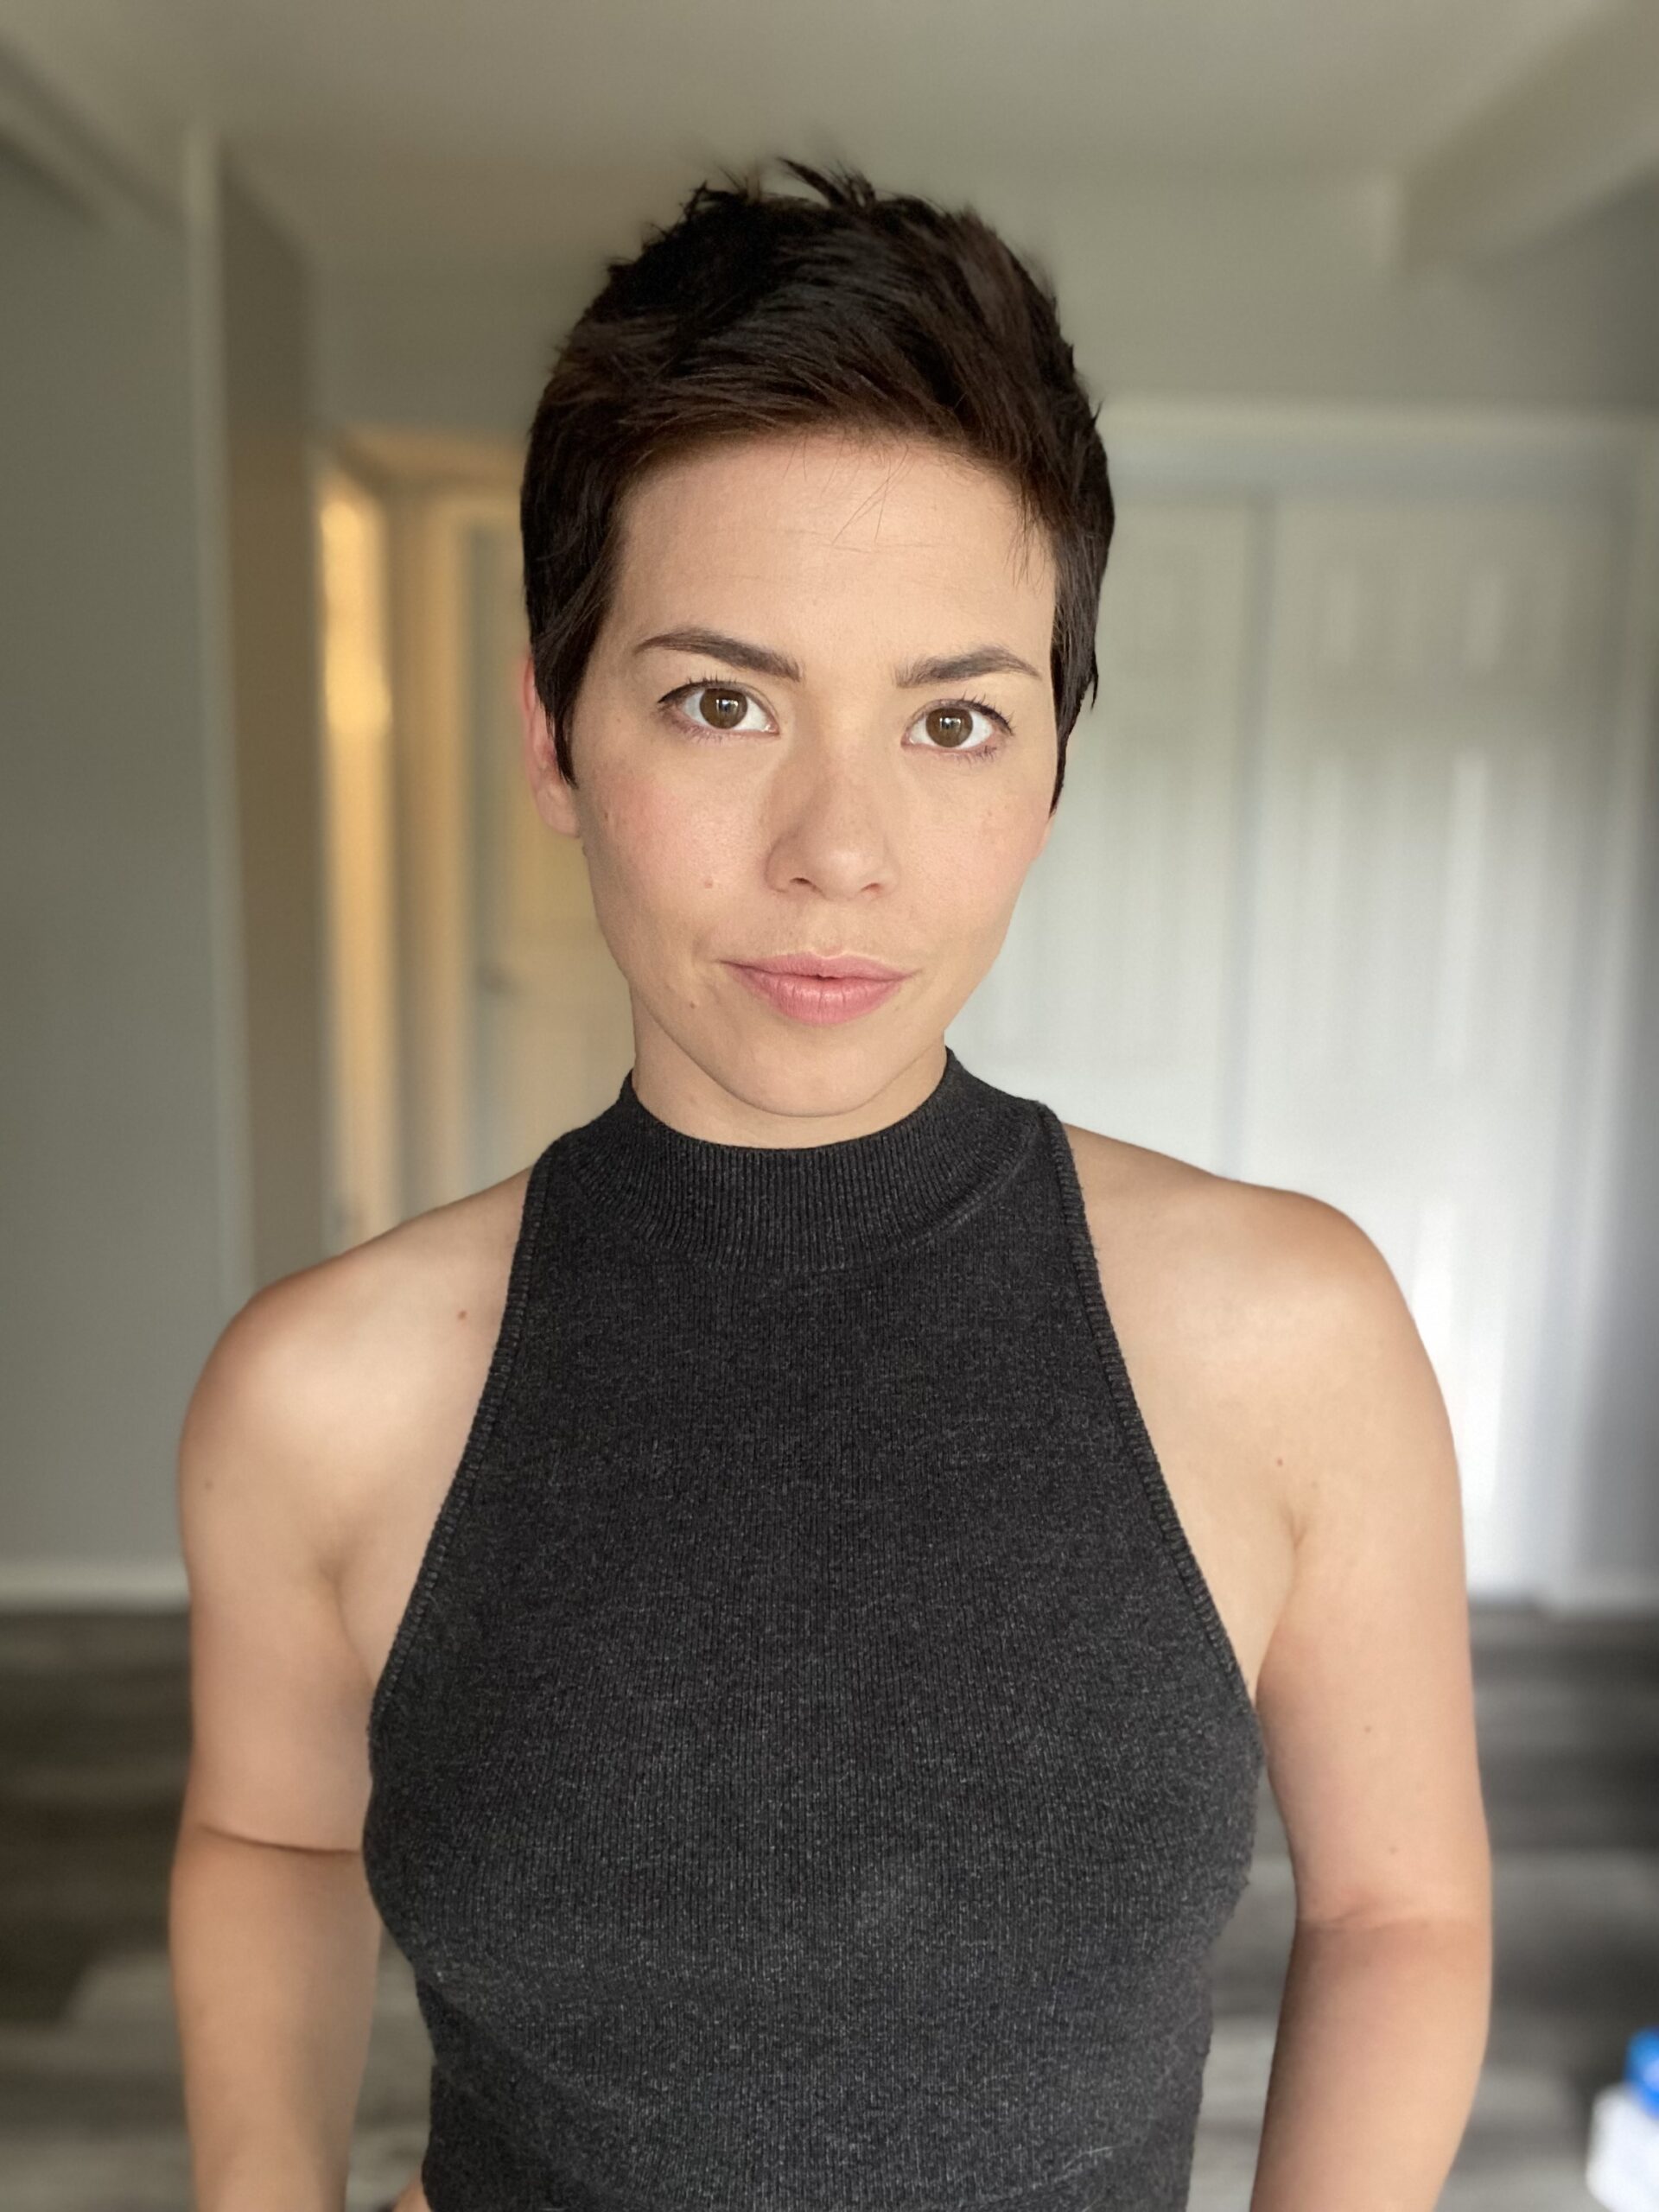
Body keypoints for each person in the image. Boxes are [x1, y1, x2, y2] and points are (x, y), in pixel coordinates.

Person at [168, 162, 1492, 2212]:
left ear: (1053, 765)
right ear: (556, 734)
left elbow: (1404, 1906)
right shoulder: (323, 1395)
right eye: (723, 701)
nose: (837, 849)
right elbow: (273, 1834)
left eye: (954, 719)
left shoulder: (1289, 1338)